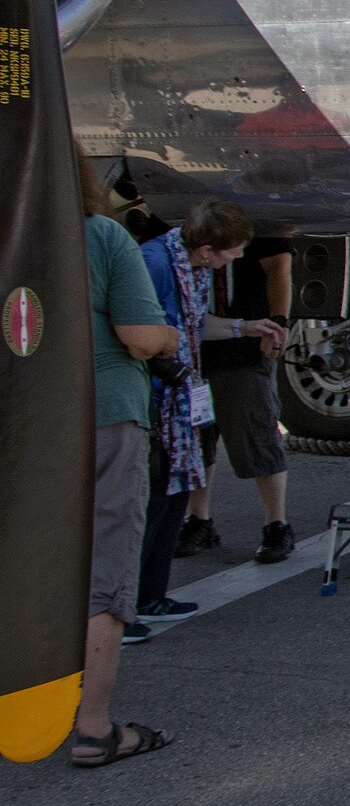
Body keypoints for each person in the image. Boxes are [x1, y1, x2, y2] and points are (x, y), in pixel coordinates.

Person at [70, 145, 180, 765]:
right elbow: (139, 337)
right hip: (104, 417)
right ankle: (93, 726)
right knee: (104, 565)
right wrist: (167, 335)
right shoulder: (102, 237)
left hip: (24, 425)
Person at [134, 200, 282, 623]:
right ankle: (128, 603)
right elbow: (139, 329)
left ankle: (151, 595)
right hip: (157, 398)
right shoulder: (155, 265)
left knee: (175, 494)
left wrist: (245, 326)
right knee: (154, 501)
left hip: (178, 396)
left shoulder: (189, 267)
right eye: (231, 253)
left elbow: (193, 325)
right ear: (206, 252)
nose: (235, 259)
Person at [179, 231, 296, 563]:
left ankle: (277, 523)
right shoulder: (176, 218)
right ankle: (198, 519)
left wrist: (278, 323)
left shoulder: (247, 220)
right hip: (194, 350)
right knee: (196, 439)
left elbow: (279, 265)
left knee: (256, 431)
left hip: (246, 344)